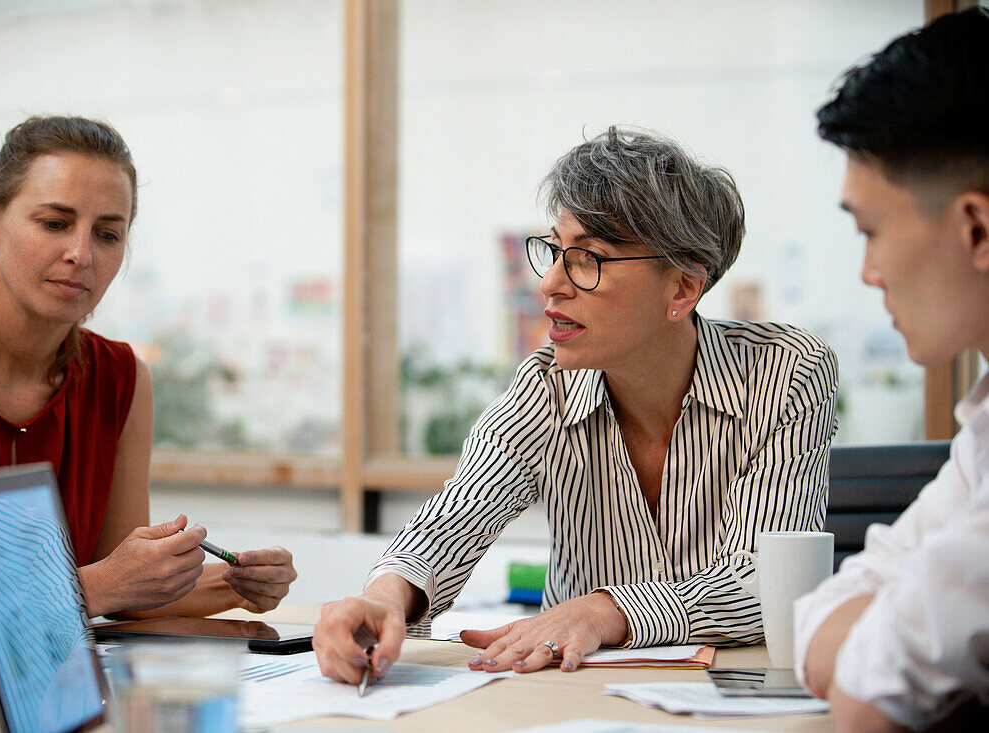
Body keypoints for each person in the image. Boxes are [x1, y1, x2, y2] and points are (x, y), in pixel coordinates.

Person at [314, 127, 838, 684]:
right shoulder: (546, 384)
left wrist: (604, 610)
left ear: (682, 289)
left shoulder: (788, 371)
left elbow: (764, 581)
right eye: (555, 252)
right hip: (573, 697)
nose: (551, 285)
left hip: (733, 700)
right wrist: (386, 597)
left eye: (588, 258)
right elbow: (453, 519)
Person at [0, 116, 297, 639]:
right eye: (55, 223)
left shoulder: (124, 378)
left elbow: (127, 591)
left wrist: (240, 582)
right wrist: (97, 586)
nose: (81, 254)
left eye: (107, 234)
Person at [793, 9, 989, 732]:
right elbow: (814, 624)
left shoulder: (788, 369)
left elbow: (869, 703)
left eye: (871, 231)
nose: (869, 273)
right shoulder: (982, 436)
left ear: (977, 229)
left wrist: (874, 637)